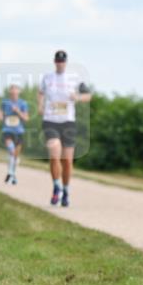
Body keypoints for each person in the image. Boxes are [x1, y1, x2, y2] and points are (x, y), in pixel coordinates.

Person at [38, 50, 92, 207]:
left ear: (66, 62)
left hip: (68, 122)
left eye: (62, 61)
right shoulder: (47, 78)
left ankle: (66, 190)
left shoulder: (74, 78)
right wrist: (40, 105)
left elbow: (88, 95)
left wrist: (78, 97)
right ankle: (56, 186)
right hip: (50, 120)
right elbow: (40, 93)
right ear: (54, 62)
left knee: (67, 160)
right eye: (57, 61)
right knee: (54, 154)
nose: (60, 63)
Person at [0, 85, 29, 185]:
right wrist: (0, 115)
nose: (14, 93)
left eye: (16, 91)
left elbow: (26, 118)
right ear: (10, 92)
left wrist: (17, 111)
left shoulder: (23, 103)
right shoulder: (5, 103)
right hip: (7, 130)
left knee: (15, 156)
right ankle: (11, 173)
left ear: (19, 92)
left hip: (19, 131)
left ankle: (12, 174)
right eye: (12, 91)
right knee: (11, 150)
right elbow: (0, 113)